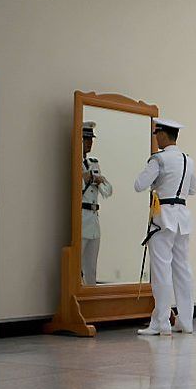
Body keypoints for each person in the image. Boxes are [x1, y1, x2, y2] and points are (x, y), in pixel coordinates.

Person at [135, 118, 196, 336]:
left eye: (156, 134)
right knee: (183, 270)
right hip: (182, 217)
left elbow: (139, 184)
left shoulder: (158, 159)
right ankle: (186, 321)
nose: (155, 138)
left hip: (163, 218)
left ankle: (161, 323)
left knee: (161, 270)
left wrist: (158, 183)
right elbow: (193, 189)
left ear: (162, 135)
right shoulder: (188, 160)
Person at [80, 121, 112, 285]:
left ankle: (91, 297)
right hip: (80, 218)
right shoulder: (74, 163)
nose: (90, 142)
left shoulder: (94, 163)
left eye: (91, 139)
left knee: (91, 267)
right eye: (86, 139)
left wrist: (97, 180)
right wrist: (88, 179)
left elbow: (108, 190)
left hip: (93, 219)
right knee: (78, 267)